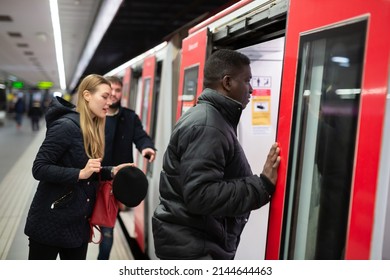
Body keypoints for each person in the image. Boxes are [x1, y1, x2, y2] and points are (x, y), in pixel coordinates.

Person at [152, 49, 281, 260]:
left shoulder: (210, 118)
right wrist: (262, 185)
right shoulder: (208, 125)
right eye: (247, 81)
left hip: (193, 242)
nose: (251, 90)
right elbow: (200, 195)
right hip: (196, 249)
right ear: (228, 82)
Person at [24, 74, 134, 260]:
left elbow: (89, 172)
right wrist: (79, 174)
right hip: (50, 221)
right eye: (104, 96)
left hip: (78, 225)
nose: (110, 101)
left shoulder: (92, 128)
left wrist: (112, 171)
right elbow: (39, 168)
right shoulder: (66, 126)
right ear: (87, 95)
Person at [97, 75, 156, 260]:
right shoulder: (94, 115)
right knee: (83, 230)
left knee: (107, 231)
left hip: (114, 185)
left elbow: (141, 136)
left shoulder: (129, 117)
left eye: (117, 90)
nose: (114, 94)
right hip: (90, 180)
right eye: (110, 90)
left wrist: (146, 147)